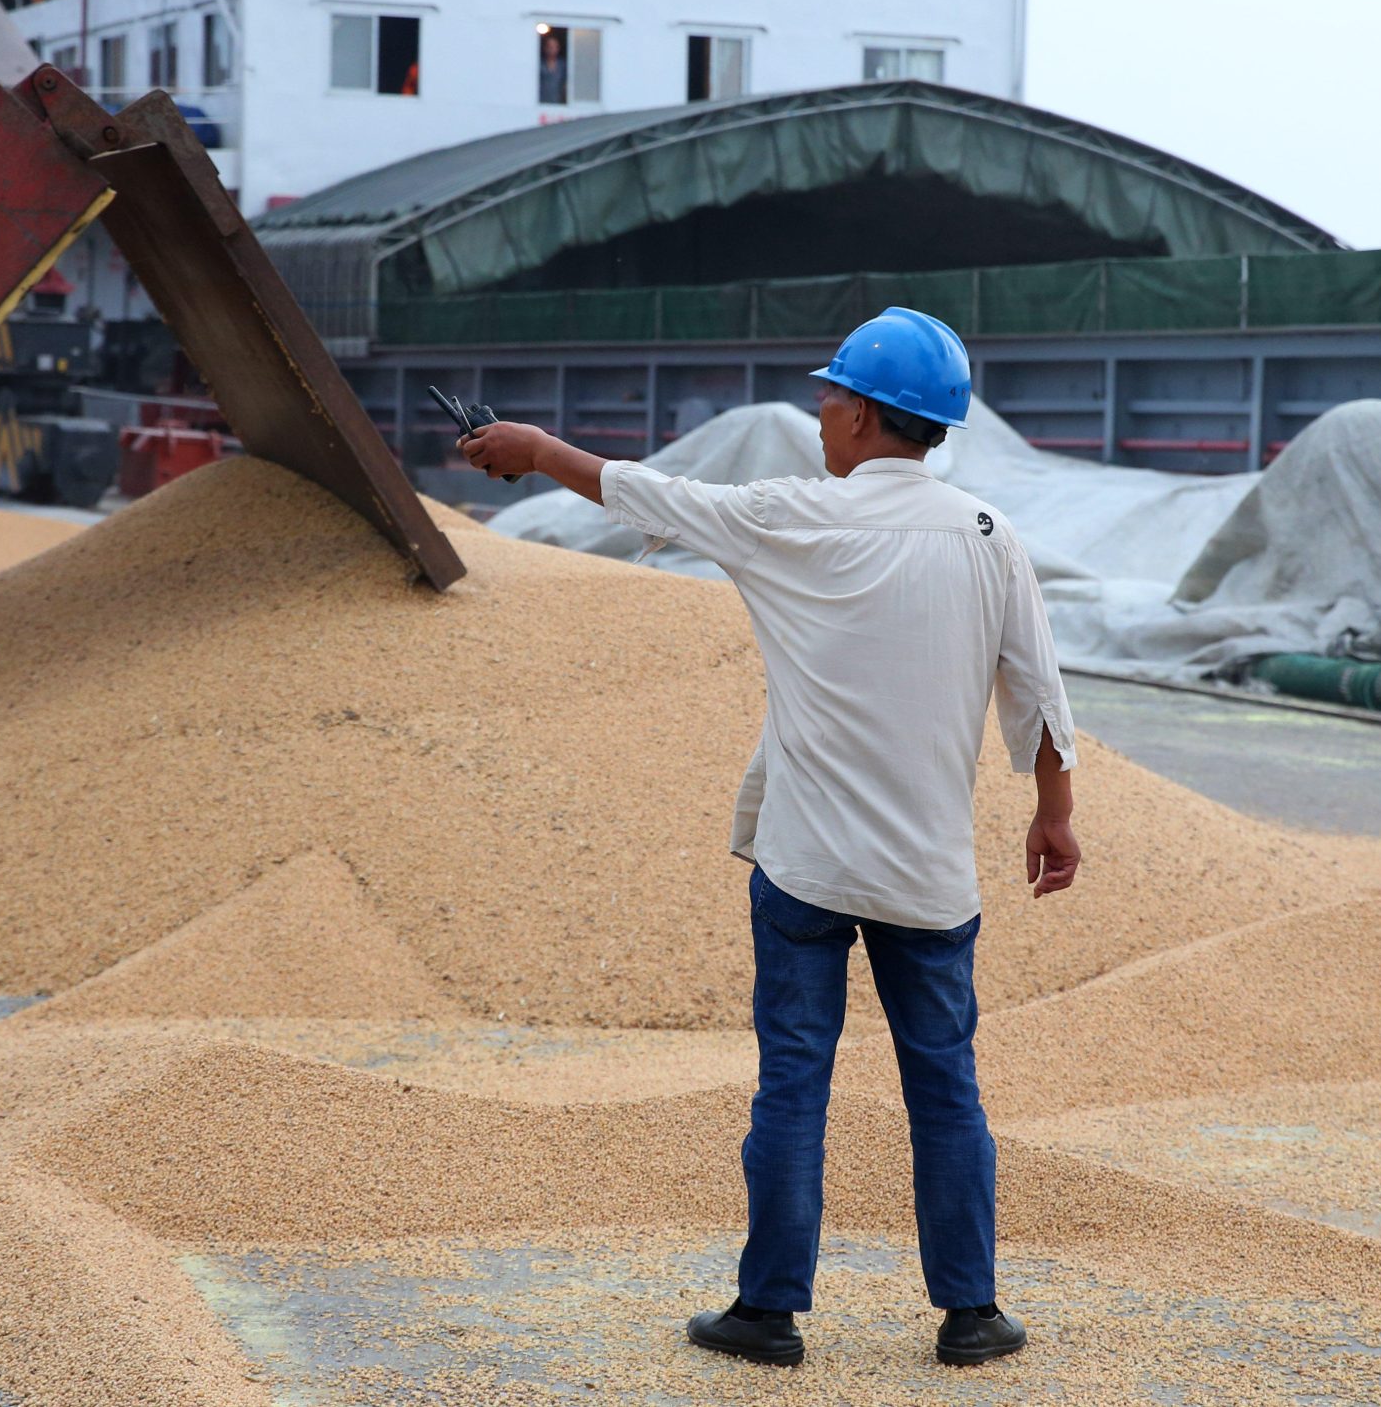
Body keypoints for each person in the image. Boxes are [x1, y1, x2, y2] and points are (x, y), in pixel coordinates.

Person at [456, 306, 1080, 1370]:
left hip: (806, 866)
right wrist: (1054, 813)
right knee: (946, 1086)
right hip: (930, 879)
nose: (818, 411)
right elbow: (1037, 690)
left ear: (866, 418)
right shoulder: (988, 534)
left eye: (829, 396)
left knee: (795, 1077)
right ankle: (970, 1313)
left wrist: (531, 450)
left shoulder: (793, 517)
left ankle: (768, 1312)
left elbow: (647, 494)